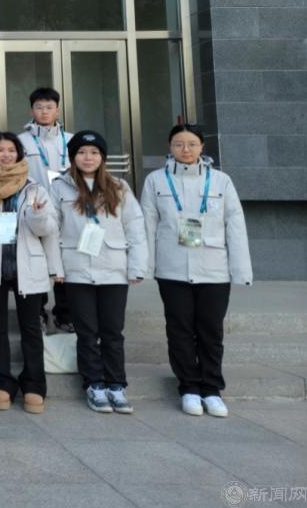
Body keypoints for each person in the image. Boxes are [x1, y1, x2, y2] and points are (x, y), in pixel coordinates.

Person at [141, 124, 252, 417]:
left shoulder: (221, 181)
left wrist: (241, 270)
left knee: (211, 330)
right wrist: (144, 266)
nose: (185, 149)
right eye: (179, 144)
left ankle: (212, 389)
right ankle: (189, 387)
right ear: (170, 147)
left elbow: (235, 225)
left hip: (213, 269)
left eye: (192, 144)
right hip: (172, 268)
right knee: (179, 329)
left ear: (202, 147)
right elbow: (147, 225)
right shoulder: (156, 180)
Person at [51, 131, 148, 414]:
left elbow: (135, 227)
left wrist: (137, 266)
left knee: (112, 332)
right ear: (73, 157)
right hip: (76, 269)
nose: (88, 158)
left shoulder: (119, 187)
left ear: (102, 157)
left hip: (113, 269)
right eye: (81, 153)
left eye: (94, 153)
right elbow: (53, 229)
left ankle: (116, 384)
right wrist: (55, 268)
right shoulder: (60, 188)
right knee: (86, 332)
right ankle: (94, 384)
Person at [0, 132, 58, 414]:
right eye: (0, 150)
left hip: (27, 266)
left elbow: (48, 231)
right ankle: (1, 380)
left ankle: (34, 384)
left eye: (11, 150)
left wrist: (38, 216)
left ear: (19, 154)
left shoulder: (34, 188)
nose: (6, 155)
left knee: (31, 328)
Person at [19, 87, 75, 333]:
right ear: (31, 111)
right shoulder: (21, 142)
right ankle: (39, 310)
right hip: (36, 208)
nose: (44, 112)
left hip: (68, 206)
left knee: (65, 258)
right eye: (39, 107)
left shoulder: (72, 140)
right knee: (38, 259)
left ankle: (64, 313)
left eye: (49, 107)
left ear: (58, 110)